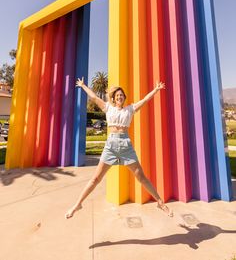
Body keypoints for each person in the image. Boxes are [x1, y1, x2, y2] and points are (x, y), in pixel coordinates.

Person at [65, 77, 173, 219]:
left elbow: (145, 100)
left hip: (125, 145)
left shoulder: (130, 109)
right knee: (95, 178)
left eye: (121, 95)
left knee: (141, 177)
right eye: (117, 96)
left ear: (124, 98)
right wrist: (83, 85)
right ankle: (77, 204)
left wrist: (156, 90)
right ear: (114, 98)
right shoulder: (107, 108)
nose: (120, 97)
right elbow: (94, 97)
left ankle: (160, 202)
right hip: (111, 145)